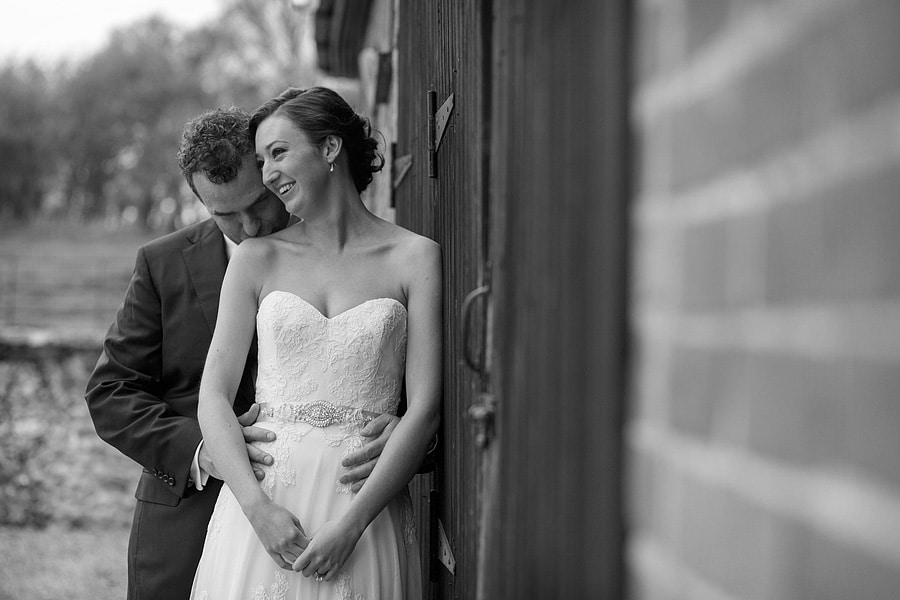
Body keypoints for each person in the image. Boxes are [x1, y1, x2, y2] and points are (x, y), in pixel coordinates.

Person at [84, 106, 400, 600]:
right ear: (199, 202)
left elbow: (384, 376)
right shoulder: (161, 264)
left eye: (259, 202)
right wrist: (206, 451)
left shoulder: (367, 260)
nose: (250, 227)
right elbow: (110, 392)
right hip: (187, 519)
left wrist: (405, 435)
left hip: (334, 513)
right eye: (224, 214)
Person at [189, 86, 442, 599]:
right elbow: (213, 395)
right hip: (266, 511)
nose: (267, 174)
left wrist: (353, 525)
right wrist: (257, 511)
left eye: (278, 153)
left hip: (366, 515)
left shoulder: (417, 258)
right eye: (262, 160)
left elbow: (426, 406)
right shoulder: (255, 259)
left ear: (329, 149)